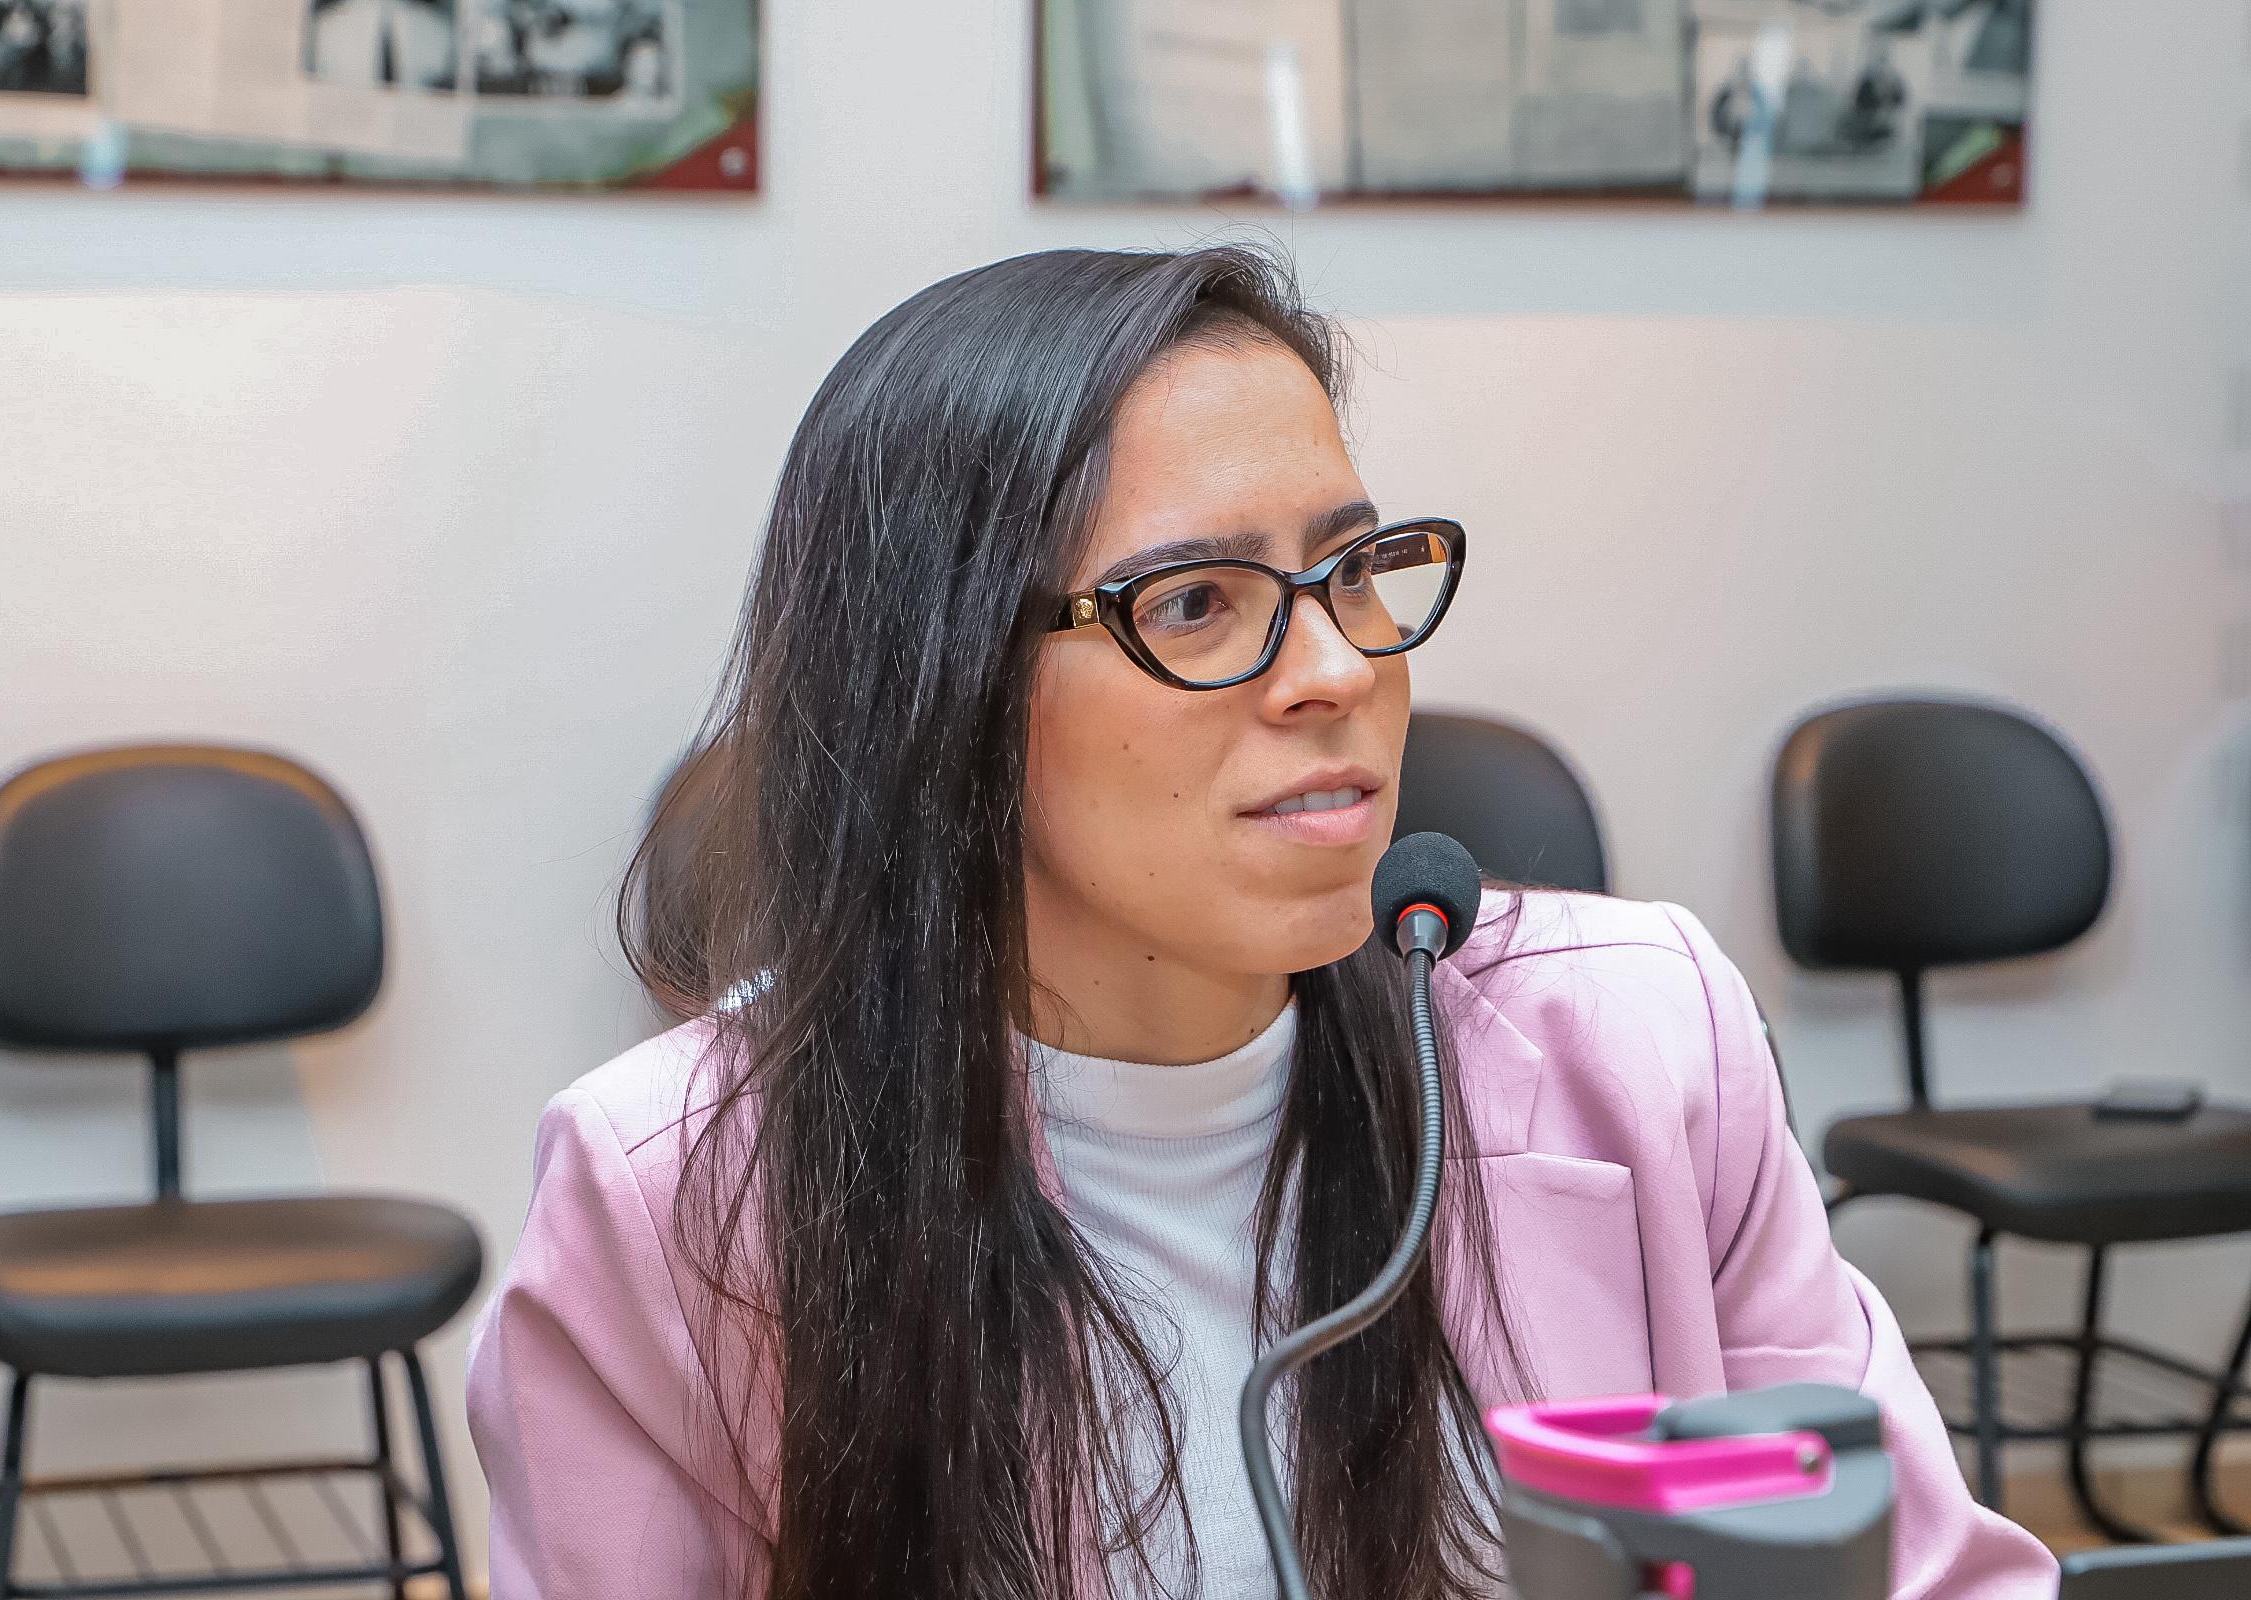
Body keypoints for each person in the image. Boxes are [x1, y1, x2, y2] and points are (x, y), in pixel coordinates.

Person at [464, 245, 2059, 1600]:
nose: (1341, 670)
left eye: (1353, 569)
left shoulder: (1640, 1046)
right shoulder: (673, 1193)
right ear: (941, 690)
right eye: (1193, 603)